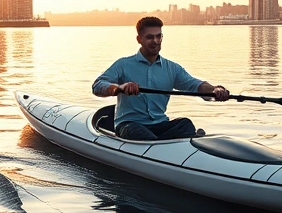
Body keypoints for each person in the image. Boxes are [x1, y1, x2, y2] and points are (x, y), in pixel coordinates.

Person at [92, 16, 230, 140]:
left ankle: (171, 141)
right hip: (130, 124)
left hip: (160, 124)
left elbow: (195, 85)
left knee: (185, 124)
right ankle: (166, 144)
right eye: (150, 37)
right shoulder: (123, 64)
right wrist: (119, 88)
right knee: (138, 132)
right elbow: (97, 85)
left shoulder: (172, 68)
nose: (156, 41)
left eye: (159, 36)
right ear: (139, 39)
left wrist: (215, 90)